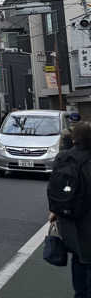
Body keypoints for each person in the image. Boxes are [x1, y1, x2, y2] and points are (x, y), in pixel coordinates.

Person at [49, 122, 91, 298]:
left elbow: (54, 186)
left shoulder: (63, 158)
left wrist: (54, 210)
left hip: (68, 218)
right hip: (87, 218)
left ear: (74, 139)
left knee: (78, 257)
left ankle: (80, 293)